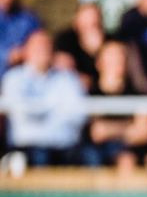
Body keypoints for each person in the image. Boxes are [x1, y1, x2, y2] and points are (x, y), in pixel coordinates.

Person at [0, 29, 86, 167]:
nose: (43, 51)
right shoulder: (13, 78)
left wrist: (44, 112)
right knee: (40, 157)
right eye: (38, 47)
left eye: (46, 47)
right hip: (28, 149)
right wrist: (55, 109)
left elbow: (78, 115)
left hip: (66, 148)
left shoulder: (67, 78)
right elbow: (23, 113)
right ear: (26, 50)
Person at [85, 38, 147, 172]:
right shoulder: (90, 94)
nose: (117, 61)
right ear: (99, 63)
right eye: (112, 56)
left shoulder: (136, 94)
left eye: (120, 56)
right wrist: (129, 128)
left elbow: (145, 132)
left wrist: (110, 130)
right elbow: (97, 132)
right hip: (96, 153)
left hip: (130, 152)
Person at [53, 1, 106, 88]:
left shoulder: (108, 41)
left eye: (94, 21)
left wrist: (97, 51)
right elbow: (61, 65)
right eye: (86, 20)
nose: (91, 25)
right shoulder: (65, 40)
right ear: (76, 22)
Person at [0, 0, 41, 71]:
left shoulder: (28, 18)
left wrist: (26, 52)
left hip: (23, 73)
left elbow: (40, 41)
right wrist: (7, 55)